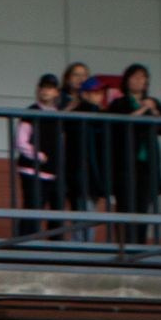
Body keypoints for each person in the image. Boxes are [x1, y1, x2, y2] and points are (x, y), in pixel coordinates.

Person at [106, 64, 161, 243]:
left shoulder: (154, 102)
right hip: (125, 163)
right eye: (135, 77)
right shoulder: (119, 103)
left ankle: (139, 246)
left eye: (143, 77)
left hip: (147, 163)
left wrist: (154, 110)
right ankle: (124, 246)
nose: (139, 80)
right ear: (127, 80)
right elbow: (120, 125)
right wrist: (142, 110)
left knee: (142, 208)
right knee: (125, 206)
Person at [57, 62, 106, 237]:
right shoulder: (62, 101)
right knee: (79, 211)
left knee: (86, 211)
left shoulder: (99, 112)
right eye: (76, 74)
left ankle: (82, 248)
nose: (80, 78)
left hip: (89, 170)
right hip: (73, 167)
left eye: (84, 74)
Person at [13, 74, 62, 238]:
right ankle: (24, 246)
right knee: (33, 209)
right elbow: (21, 141)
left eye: (50, 88)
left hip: (52, 172)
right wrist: (38, 156)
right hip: (31, 170)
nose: (46, 91)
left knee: (55, 212)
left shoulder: (59, 114)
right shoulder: (31, 112)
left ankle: (54, 250)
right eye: (43, 87)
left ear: (56, 92)